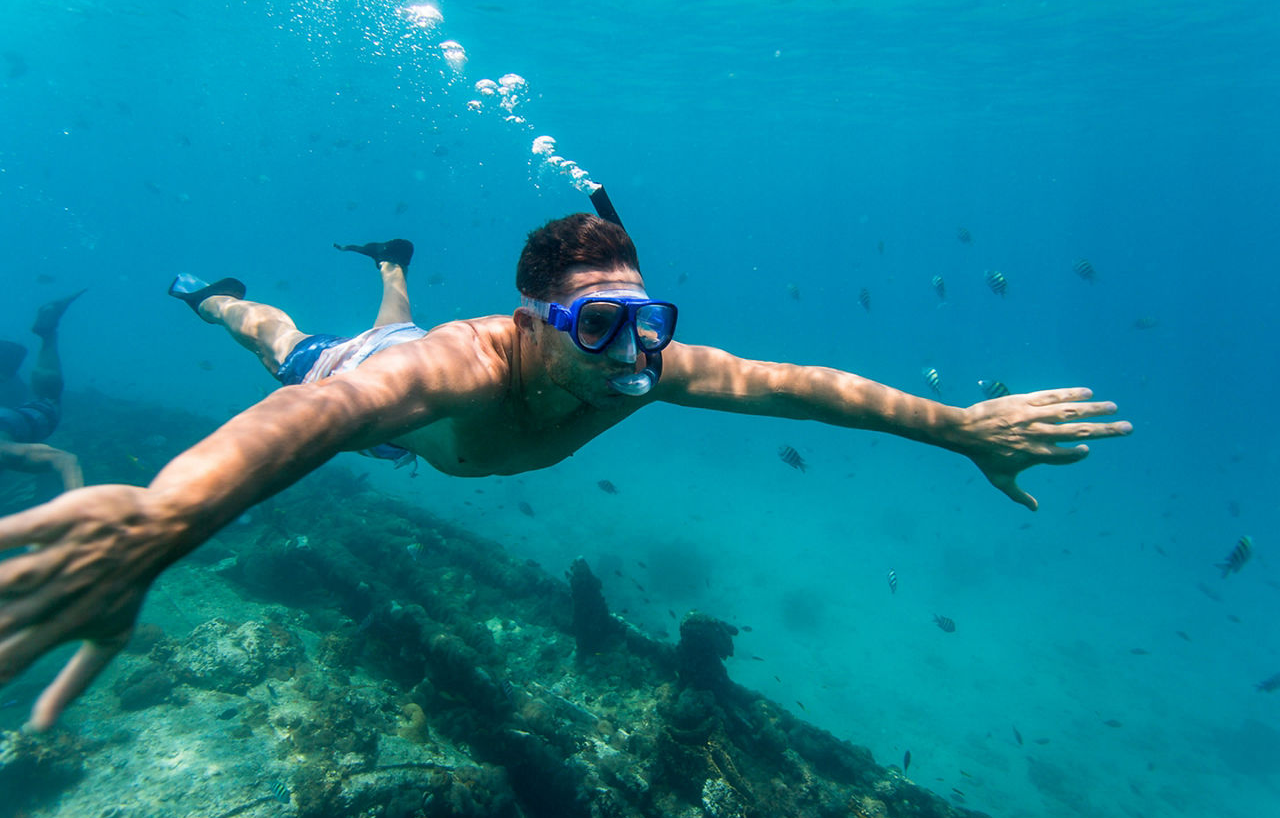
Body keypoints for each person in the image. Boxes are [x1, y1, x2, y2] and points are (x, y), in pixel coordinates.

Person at [0, 214, 1131, 731]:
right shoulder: (448, 372)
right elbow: (305, 421)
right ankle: (212, 291)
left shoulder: (635, 361)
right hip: (372, 378)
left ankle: (392, 260)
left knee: (385, 315)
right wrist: (163, 516)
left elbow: (804, 387)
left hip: (424, 407)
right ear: (527, 325)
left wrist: (960, 426)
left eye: (645, 324)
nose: (632, 355)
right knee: (280, 340)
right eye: (598, 328)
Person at [0, 292, 85, 495]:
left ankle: (48, 332)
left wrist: (75, 507)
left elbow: (63, 460)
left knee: (47, 401)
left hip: (21, 420)